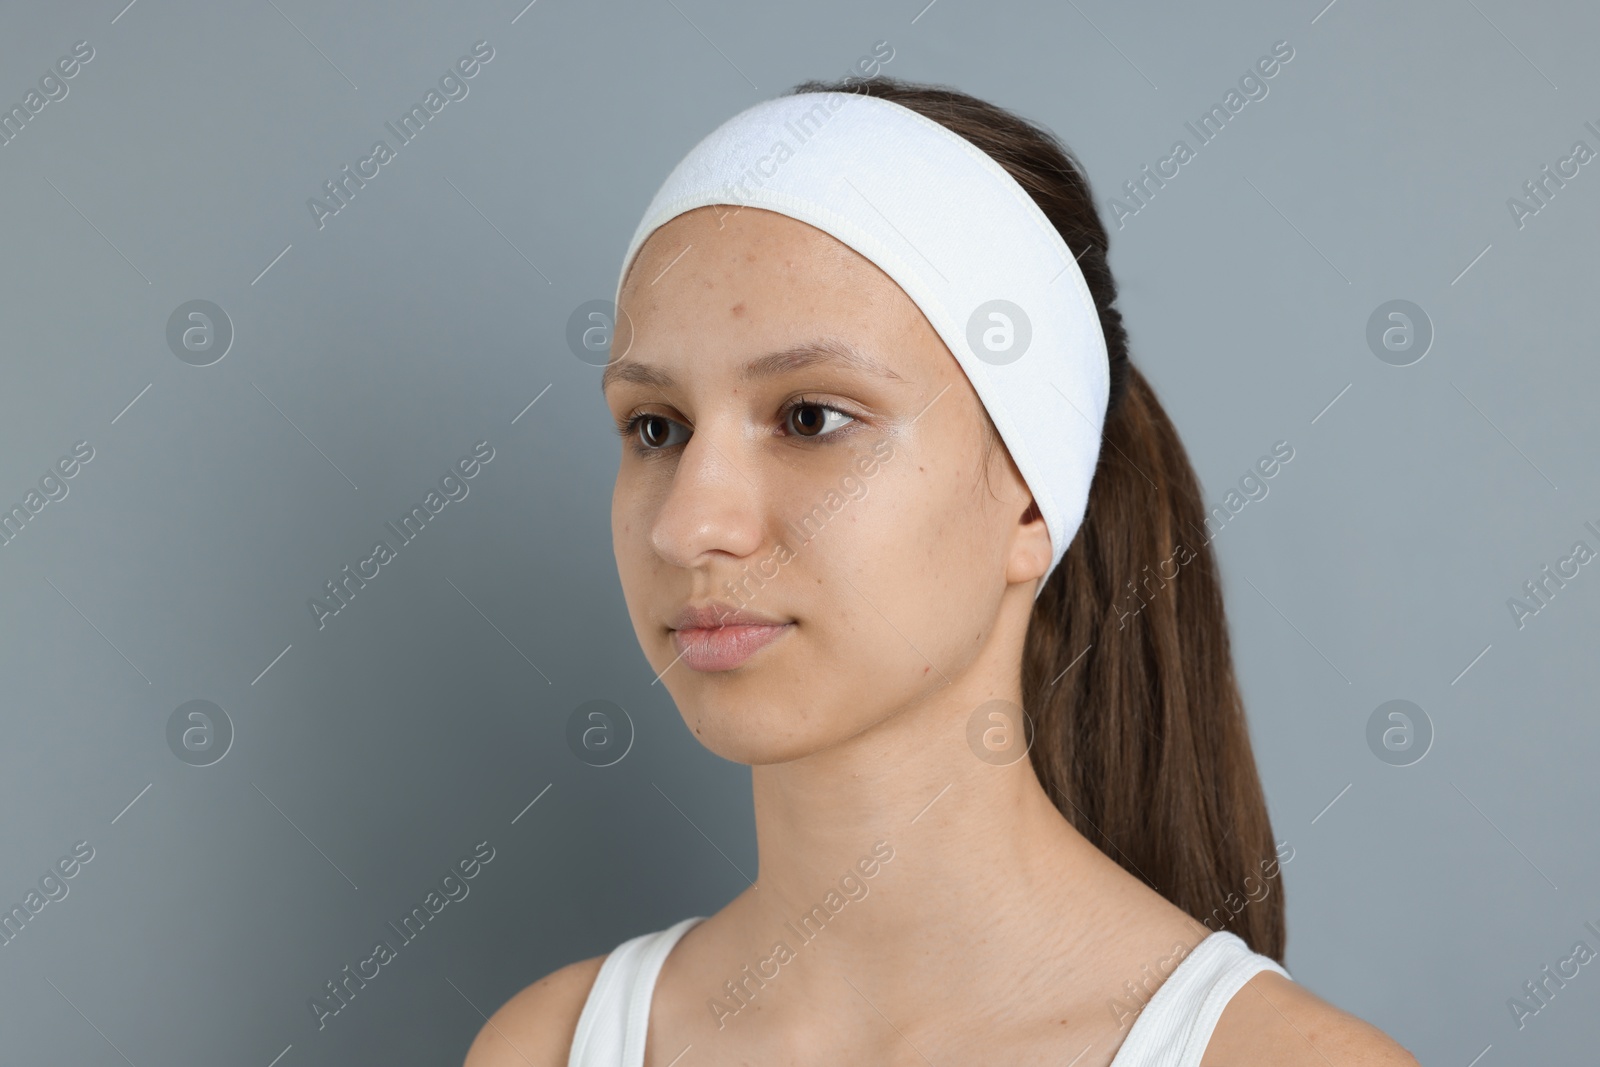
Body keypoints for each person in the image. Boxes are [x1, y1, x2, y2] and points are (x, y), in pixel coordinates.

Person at [465, 77, 1419, 1066]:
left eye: (810, 417)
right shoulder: (547, 1046)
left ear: (1029, 494)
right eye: (654, 427)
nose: (688, 523)